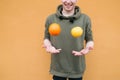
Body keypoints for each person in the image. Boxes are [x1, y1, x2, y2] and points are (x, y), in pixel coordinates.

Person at [43, 0, 94, 80]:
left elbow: (89, 39)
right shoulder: (51, 19)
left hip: (77, 66)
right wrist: (48, 45)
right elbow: (46, 37)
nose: (68, 1)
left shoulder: (85, 19)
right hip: (58, 66)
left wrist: (88, 47)